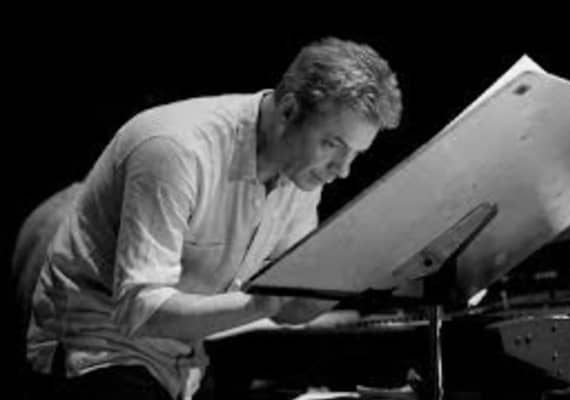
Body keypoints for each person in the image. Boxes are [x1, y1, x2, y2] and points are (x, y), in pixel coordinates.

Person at [14, 37, 402, 399]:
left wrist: (353, 276)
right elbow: (140, 310)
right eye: (333, 144)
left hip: (183, 361)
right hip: (95, 350)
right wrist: (261, 304)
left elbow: (290, 310)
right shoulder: (176, 150)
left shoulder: (302, 170)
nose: (342, 170)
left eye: (355, 154)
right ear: (288, 111)